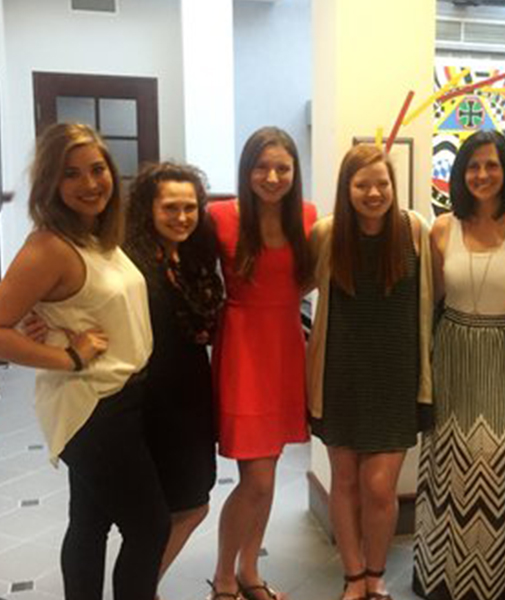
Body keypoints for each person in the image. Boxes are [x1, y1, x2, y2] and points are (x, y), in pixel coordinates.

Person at [0, 123, 170, 600]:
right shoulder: (48, 246)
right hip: (92, 406)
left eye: (97, 170)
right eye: (71, 174)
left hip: (118, 399)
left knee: (90, 523)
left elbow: (81, 302)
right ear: (50, 183)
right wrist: (67, 354)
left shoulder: (96, 237)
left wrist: (50, 320)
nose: (90, 183)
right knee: (150, 527)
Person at [413, 130, 505, 600]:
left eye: (492, 165)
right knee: (448, 464)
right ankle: (443, 578)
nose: (482, 175)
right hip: (452, 350)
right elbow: (430, 301)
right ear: (460, 173)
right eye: (473, 166)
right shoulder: (443, 228)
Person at [307, 144, 433, 600]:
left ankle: (376, 573)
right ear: (347, 189)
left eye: (382, 183)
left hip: (396, 377)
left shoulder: (414, 229)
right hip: (341, 375)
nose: (373, 192)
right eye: (362, 185)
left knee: (379, 488)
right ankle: (354, 575)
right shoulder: (327, 234)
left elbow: (435, 294)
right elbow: (295, 285)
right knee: (344, 480)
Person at [208, 127, 315, 600]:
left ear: (295, 173)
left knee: (267, 470)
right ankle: (225, 576)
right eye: (262, 167)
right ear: (246, 169)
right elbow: (178, 268)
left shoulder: (309, 218)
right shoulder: (218, 217)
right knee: (257, 478)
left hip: (286, 349)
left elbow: (308, 279)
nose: (272, 177)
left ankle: (249, 571)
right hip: (243, 352)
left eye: (283, 168)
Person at [124, 162, 224, 593]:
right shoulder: (127, 263)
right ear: (148, 208)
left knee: (193, 502)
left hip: (190, 395)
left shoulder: (193, 257)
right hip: (147, 400)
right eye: (171, 207)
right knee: (155, 512)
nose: (182, 217)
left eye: (190, 207)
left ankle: (143, 586)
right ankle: (139, 588)